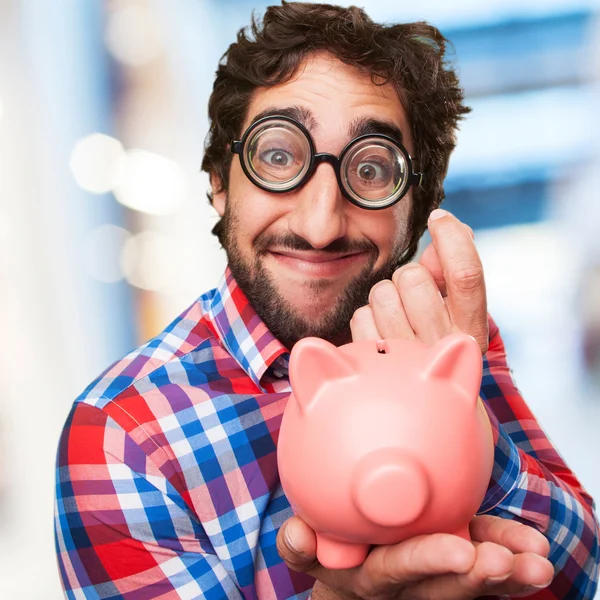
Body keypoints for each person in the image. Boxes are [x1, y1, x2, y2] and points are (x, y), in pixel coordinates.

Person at [54, 2, 600, 599]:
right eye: (278, 156)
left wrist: (460, 424)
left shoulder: (440, 336)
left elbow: (576, 574)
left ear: (415, 206)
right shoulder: (123, 437)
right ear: (218, 182)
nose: (320, 225)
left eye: (371, 169)